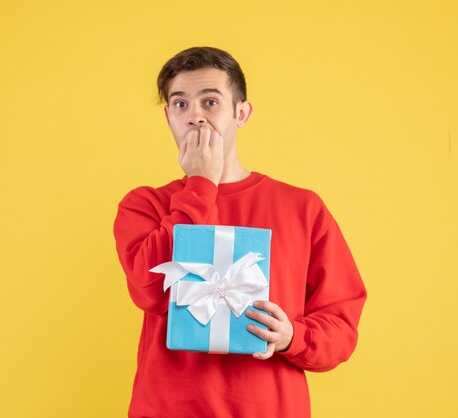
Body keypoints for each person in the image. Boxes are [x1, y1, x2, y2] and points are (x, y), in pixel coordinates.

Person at [113, 46, 367, 418]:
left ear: (241, 113)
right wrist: (200, 183)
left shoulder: (303, 208)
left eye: (211, 101)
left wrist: (293, 337)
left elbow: (341, 324)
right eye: (181, 105)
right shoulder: (144, 205)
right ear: (168, 117)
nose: (196, 117)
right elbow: (151, 291)